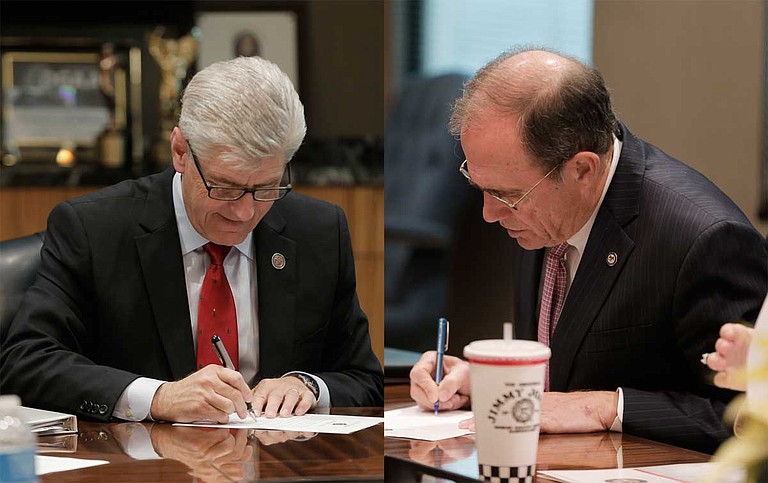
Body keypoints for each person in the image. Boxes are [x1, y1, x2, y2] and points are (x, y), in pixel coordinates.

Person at [409, 48, 768, 454]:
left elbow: (751, 418)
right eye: (481, 187)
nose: (490, 214)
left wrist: (609, 405)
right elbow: (563, 379)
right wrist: (491, 380)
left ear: (582, 169)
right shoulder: (540, 202)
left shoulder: (706, 239)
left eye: (504, 196)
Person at [1, 56, 383, 423]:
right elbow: (27, 361)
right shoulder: (93, 228)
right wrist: (158, 397)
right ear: (181, 152)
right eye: (225, 187)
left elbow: (364, 379)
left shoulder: (317, 230)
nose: (245, 212)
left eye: (266, 188)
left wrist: (309, 386)